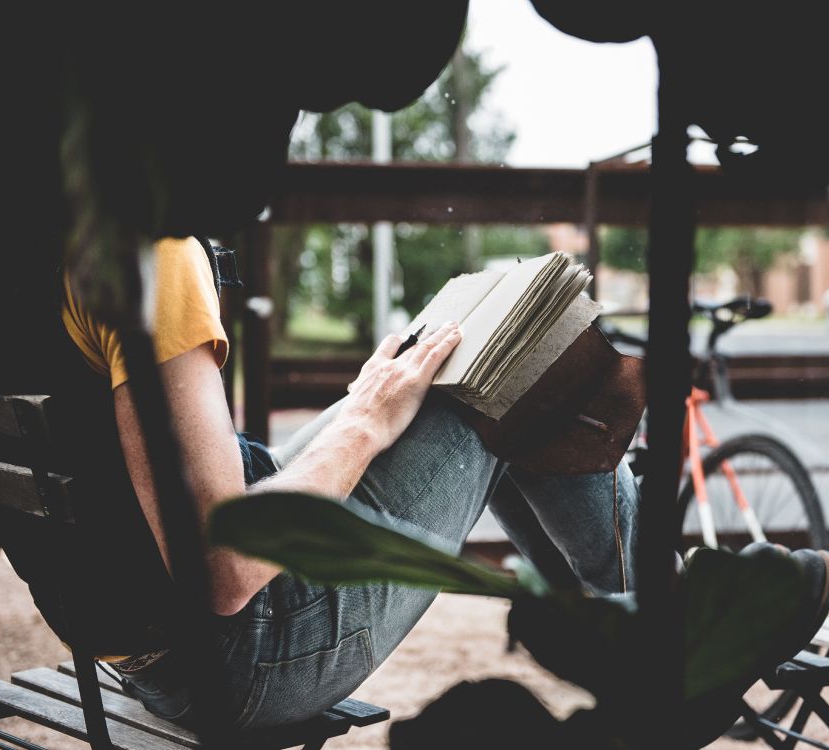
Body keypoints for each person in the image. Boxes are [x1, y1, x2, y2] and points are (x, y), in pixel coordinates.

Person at [58, 236, 640, 728]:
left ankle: (626, 610)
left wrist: (369, 401)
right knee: (526, 359)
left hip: (142, 655)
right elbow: (224, 569)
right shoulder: (149, 252)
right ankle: (671, 632)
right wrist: (364, 421)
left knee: (459, 368)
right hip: (245, 658)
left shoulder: (39, 251)